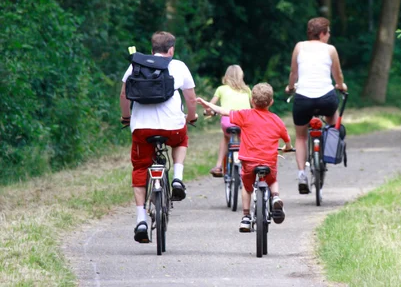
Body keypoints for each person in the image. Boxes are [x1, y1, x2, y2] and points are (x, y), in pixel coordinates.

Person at [120, 31, 198, 243]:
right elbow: (191, 98)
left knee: (139, 168)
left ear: (151, 48)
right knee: (182, 140)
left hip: (142, 130)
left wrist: (126, 117)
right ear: (171, 50)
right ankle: (178, 179)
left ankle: (141, 220)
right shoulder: (179, 66)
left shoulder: (136, 65)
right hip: (172, 128)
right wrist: (191, 117)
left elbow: (123, 95)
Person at [197, 83, 293, 232]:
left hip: (249, 162)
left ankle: (246, 217)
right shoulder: (276, 120)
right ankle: (275, 197)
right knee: (272, 179)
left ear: (252, 101)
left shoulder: (245, 115)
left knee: (247, 188)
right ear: (272, 102)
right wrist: (287, 147)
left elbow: (224, 111)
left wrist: (208, 104)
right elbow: (287, 140)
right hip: (269, 162)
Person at [284, 17, 347, 195]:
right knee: (334, 124)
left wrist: (290, 87)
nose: (329, 35)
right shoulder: (330, 50)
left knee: (301, 137)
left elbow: (293, 73)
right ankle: (328, 151)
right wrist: (341, 86)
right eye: (328, 32)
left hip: (303, 98)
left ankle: (302, 174)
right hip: (326, 98)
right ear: (321, 33)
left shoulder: (299, 47)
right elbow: (338, 74)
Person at [207, 65, 252, 177]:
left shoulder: (221, 89)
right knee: (245, 140)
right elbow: (254, 105)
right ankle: (249, 165)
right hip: (244, 122)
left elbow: (210, 106)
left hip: (228, 121)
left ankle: (218, 166)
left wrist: (209, 112)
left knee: (226, 137)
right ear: (241, 76)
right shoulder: (247, 90)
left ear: (226, 76)